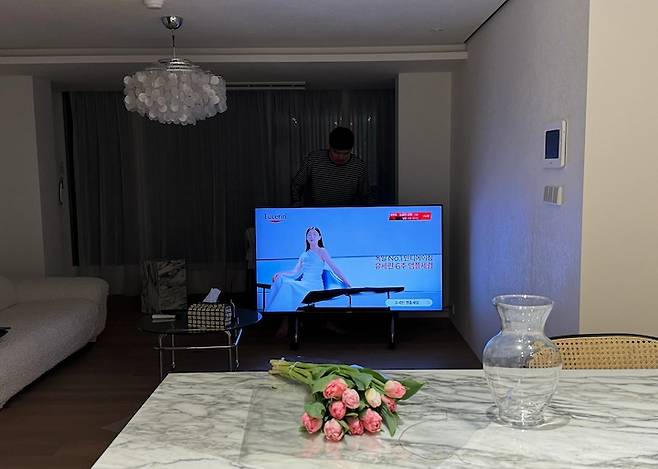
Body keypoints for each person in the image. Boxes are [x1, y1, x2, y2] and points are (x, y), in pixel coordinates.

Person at [267, 227, 350, 312]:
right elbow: (294, 272)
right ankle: (270, 311)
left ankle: (278, 312)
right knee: (280, 280)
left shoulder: (322, 251)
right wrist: (281, 273)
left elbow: (334, 268)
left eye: (314, 234)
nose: (311, 236)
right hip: (303, 284)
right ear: (306, 238)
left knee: (287, 285)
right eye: (309, 235)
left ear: (319, 237)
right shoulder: (304, 254)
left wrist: (347, 283)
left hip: (314, 285)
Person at [291, 127, 371, 207]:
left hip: (346, 212)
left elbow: (365, 195)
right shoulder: (314, 159)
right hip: (315, 211)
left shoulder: (359, 166)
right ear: (330, 147)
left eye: (346, 153)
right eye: (336, 152)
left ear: (351, 150)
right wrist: (296, 201)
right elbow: (297, 184)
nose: (341, 157)